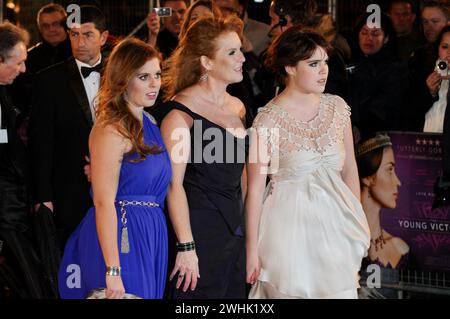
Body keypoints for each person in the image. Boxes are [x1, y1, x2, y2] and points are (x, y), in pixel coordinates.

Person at [245, 27, 370, 299]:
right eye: (313, 64)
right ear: (290, 67)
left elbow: (350, 171)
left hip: (337, 234)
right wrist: (251, 251)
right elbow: (254, 190)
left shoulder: (338, 108)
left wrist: (357, 224)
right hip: (287, 236)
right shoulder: (265, 121)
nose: (323, 71)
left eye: (324, 62)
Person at [58, 37, 171, 299]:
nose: (154, 83)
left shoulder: (150, 121)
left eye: (157, 74)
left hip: (152, 232)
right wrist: (112, 268)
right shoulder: (110, 129)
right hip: (122, 236)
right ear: (123, 79)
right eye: (143, 77)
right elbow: (103, 202)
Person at [161, 16, 248, 299]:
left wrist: (249, 233)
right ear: (207, 62)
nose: (242, 58)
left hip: (234, 232)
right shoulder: (179, 115)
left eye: (240, 50)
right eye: (232, 52)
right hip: (198, 233)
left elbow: (244, 174)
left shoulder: (238, 108)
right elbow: (174, 186)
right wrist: (186, 247)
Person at [30, 5, 109, 248]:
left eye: (87, 35)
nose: (80, 42)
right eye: (74, 34)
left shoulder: (121, 75)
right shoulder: (48, 80)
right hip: (68, 190)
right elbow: (40, 143)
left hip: (117, 185)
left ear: (103, 37)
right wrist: (43, 197)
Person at [0, 22, 49, 298]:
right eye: (18, 63)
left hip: (13, 202)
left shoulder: (6, 92)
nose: (23, 70)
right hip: (7, 208)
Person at [355, 133, 408, 299]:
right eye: (389, 170)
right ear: (368, 178)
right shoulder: (339, 239)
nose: (398, 181)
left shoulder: (399, 247)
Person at [348, 12, 409, 141]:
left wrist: (360, 129)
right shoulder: (350, 64)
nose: (369, 38)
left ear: (386, 38)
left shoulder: (396, 69)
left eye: (375, 34)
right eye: (364, 32)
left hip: (382, 142)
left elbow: (385, 109)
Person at [405, 1, 450, 131]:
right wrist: (428, 92)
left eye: (434, 21)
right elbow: (408, 108)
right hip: (425, 139)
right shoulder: (418, 58)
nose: (429, 27)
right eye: (425, 22)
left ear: (448, 23)